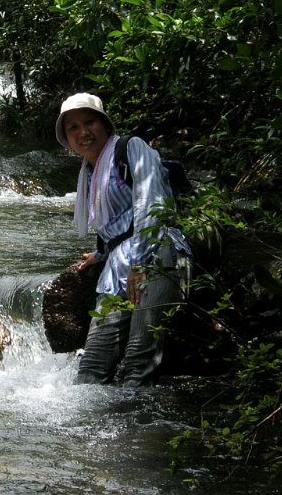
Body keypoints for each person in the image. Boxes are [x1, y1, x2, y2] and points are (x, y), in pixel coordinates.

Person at [55, 92, 191, 387]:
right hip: (118, 265)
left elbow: (151, 205)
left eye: (89, 122)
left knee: (139, 357)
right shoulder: (89, 172)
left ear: (104, 125)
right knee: (91, 367)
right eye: (73, 128)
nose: (83, 132)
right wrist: (101, 253)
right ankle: (85, 431)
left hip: (157, 253)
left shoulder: (132, 149)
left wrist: (141, 264)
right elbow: (115, 222)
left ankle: (137, 432)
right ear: (66, 138)